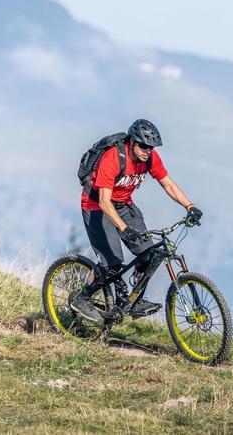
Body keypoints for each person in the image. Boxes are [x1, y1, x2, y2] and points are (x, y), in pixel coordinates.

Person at [70, 119, 203, 321]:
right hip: (97, 206)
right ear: (132, 142)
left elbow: (167, 184)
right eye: (142, 145)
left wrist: (189, 206)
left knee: (148, 254)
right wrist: (124, 229)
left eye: (150, 147)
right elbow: (105, 202)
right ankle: (82, 297)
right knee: (111, 263)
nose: (147, 151)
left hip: (124, 206)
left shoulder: (150, 158)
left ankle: (134, 300)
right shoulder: (113, 158)